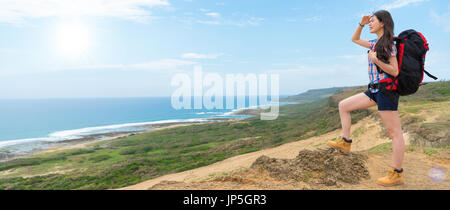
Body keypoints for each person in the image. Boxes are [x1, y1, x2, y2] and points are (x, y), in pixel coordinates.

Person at [327, 10, 405, 187]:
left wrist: (375, 59)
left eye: (372, 21)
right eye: (369, 22)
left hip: (386, 90)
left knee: (395, 134)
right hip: (375, 91)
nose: (370, 24)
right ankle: (345, 142)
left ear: (383, 23)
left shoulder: (388, 43)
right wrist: (361, 24)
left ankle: (397, 173)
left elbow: (394, 71)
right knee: (343, 105)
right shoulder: (374, 43)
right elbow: (354, 39)